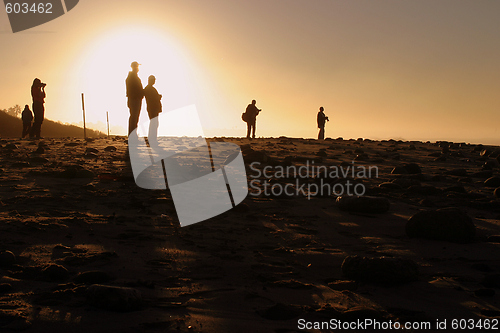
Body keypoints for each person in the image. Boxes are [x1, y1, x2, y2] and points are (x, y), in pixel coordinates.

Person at [143, 75, 162, 146]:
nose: (154, 81)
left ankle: (152, 138)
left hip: (153, 108)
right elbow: (152, 99)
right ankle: (152, 139)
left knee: (154, 123)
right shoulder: (149, 89)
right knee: (154, 123)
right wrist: (158, 97)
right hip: (152, 108)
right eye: (153, 80)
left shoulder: (149, 88)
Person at [126, 61, 144, 136]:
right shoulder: (132, 77)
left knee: (134, 118)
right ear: (134, 67)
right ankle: (132, 136)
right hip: (134, 100)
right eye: (137, 67)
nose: (138, 68)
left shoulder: (133, 77)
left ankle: (133, 135)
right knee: (134, 117)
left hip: (135, 99)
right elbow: (135, 90)